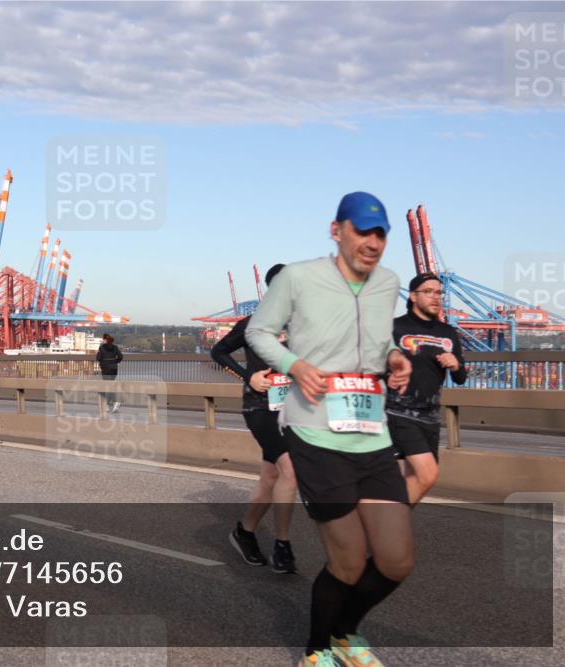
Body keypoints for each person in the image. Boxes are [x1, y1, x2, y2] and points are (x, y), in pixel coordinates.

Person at [247, 192, 414, 667]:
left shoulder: (388, 283)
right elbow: (260, 331)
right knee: (349, 559)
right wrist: (294, 364)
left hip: (372, 433)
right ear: (336, 230)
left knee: (397, 559)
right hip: (315, 432)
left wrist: (395, 358)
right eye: (363, 230)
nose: (373, 242)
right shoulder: (299, 277)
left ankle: (345, 632)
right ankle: (317, 649)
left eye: (381, 233)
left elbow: (377, 345)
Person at [210, 263, 297, 574]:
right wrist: (248, 377)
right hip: (260, 407)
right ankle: (283, 546)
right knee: (291, 469)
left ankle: (244, 532)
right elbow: (218, 352)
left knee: (270, 478)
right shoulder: (252, 324)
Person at [387, 273, 467, 504]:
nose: (436, 297)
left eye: (439, 293)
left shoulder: (448, 333)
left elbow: (460, 378)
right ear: (413, 296)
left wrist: (456, 364)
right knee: (428, 474)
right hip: (397, 412)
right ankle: (389, 527)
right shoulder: (395, 327)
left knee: (417, 480)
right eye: (428, 292)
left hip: (431, 416)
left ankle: (384, 527)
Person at [95, 333, 124, 413]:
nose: (102, 340)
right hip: (114, 369)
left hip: (105, 369)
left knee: (107, 386)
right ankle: (114, 403)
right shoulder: (115, 347)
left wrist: (99, 353)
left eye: (103, 339)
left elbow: (98, 358)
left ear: (105, 340)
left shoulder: (101, 347)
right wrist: (115, 361)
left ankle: (108, 404)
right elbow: (120, 356)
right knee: (111, 385)